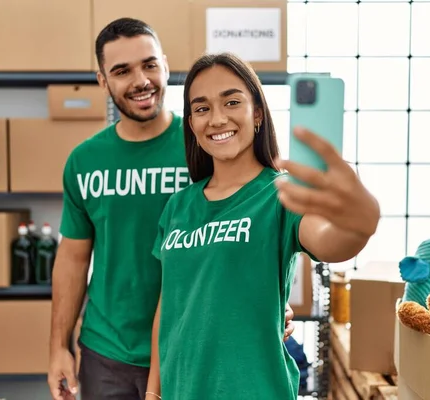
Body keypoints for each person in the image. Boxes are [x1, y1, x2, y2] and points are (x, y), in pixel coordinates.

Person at [47, 18, 296, 400]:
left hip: (196, 353)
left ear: (164, 65)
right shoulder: (84, 161)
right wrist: (58, 346)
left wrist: (271, 306)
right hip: (108, 351)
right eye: (121, 71)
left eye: (149, 65)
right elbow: (73, 258)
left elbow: (270, 225)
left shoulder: (212, 141)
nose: (141, 80)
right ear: (102, 81)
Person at [145, 53, 380, 400]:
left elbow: (330, 241)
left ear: (256, 113)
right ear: (192, 123)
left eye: (232, 101)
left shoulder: (281, 193)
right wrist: (154, 392)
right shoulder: (178, 205)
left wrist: (361, 222)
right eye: (202, 108)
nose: (217, 118)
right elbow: (170, 304)